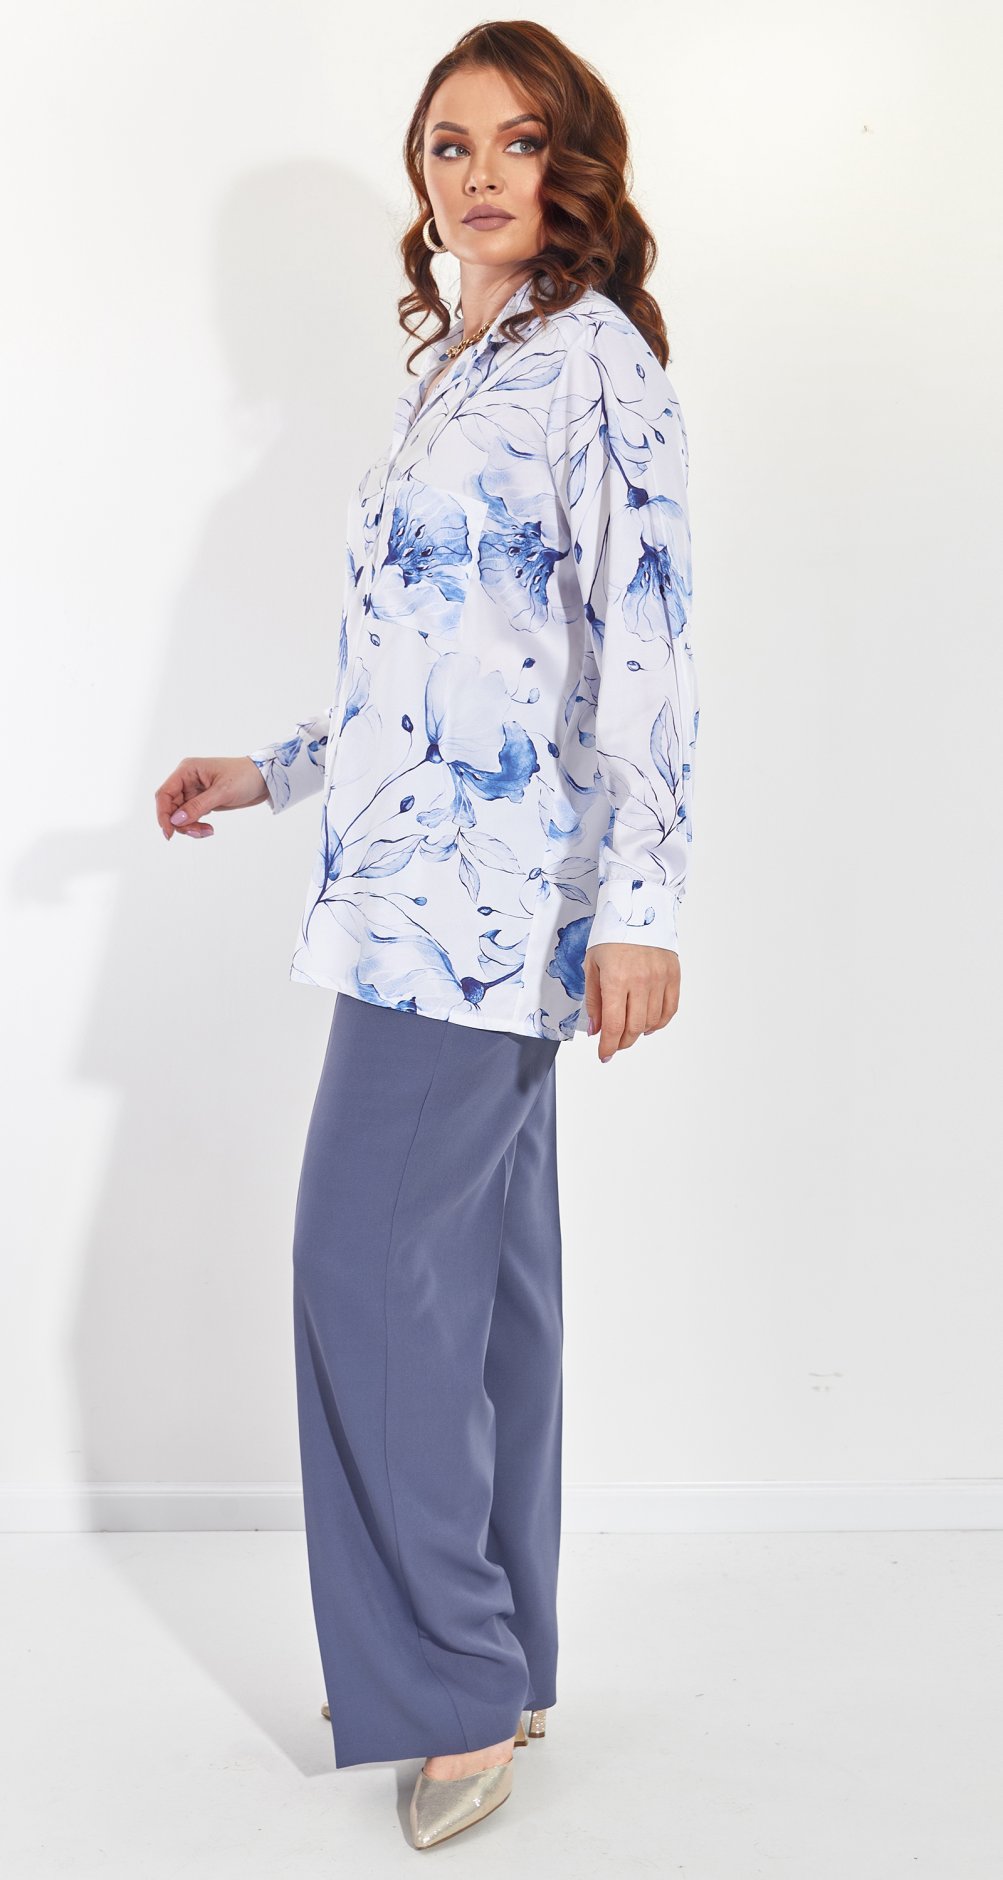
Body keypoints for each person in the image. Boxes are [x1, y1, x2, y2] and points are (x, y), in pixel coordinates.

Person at [154, 19, 699, 1853]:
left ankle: (450, 1682)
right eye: (447, 144)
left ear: (575, 167)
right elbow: (444, 663)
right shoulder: (466, 366)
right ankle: (504, 1657)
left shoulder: (596, 361)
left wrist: (643, 910)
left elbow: (648, 643)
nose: (475, 175)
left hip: (487, 913)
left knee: (363, 1267)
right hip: (408, 891)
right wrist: (277, 770)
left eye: (516, 142)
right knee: (478, 1289)